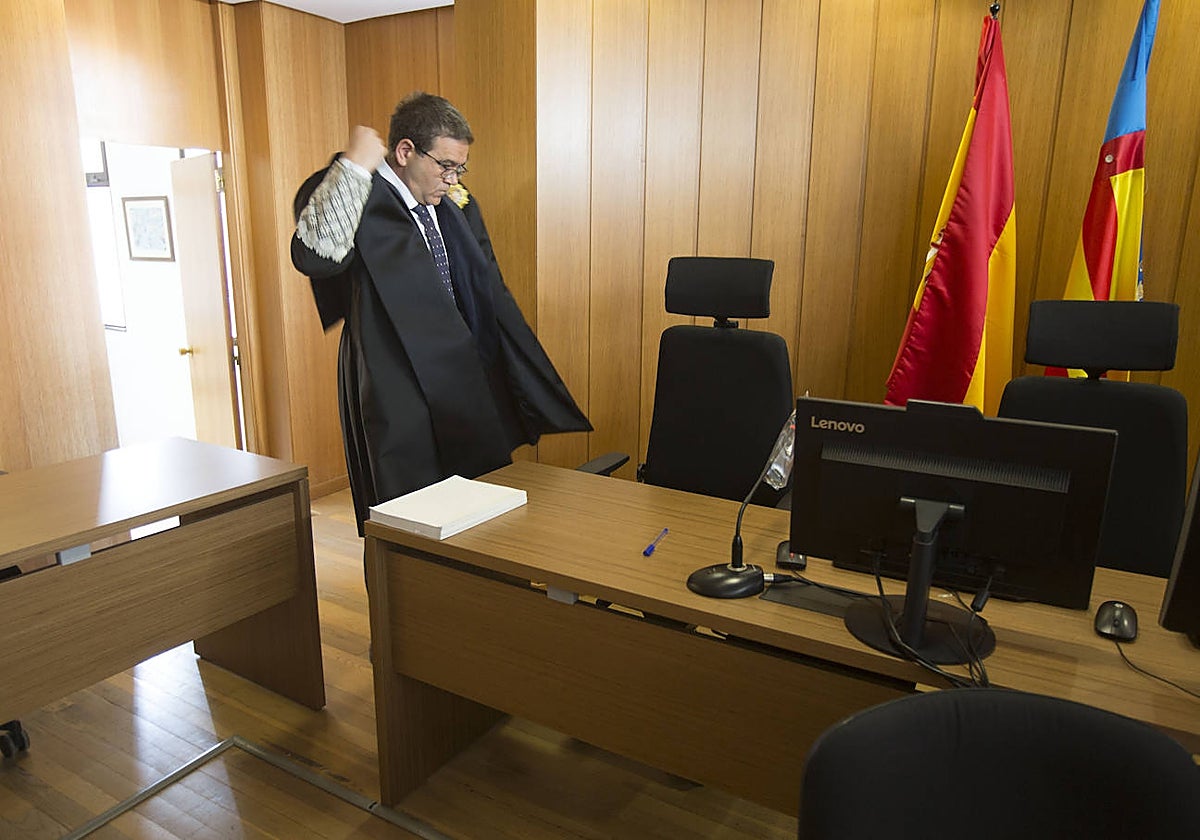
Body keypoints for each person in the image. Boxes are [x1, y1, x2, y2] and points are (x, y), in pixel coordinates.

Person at [292, 92, 590, 534]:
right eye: (445, 166)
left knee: (480, 508)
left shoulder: (450, 205)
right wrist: (354, 164)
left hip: (462, 380)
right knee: (413, 518)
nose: (452, 180)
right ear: (405, 151)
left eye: (459, 169)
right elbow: (315, 256)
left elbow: (488, 289)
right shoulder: (358, 194)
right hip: (397, 386)